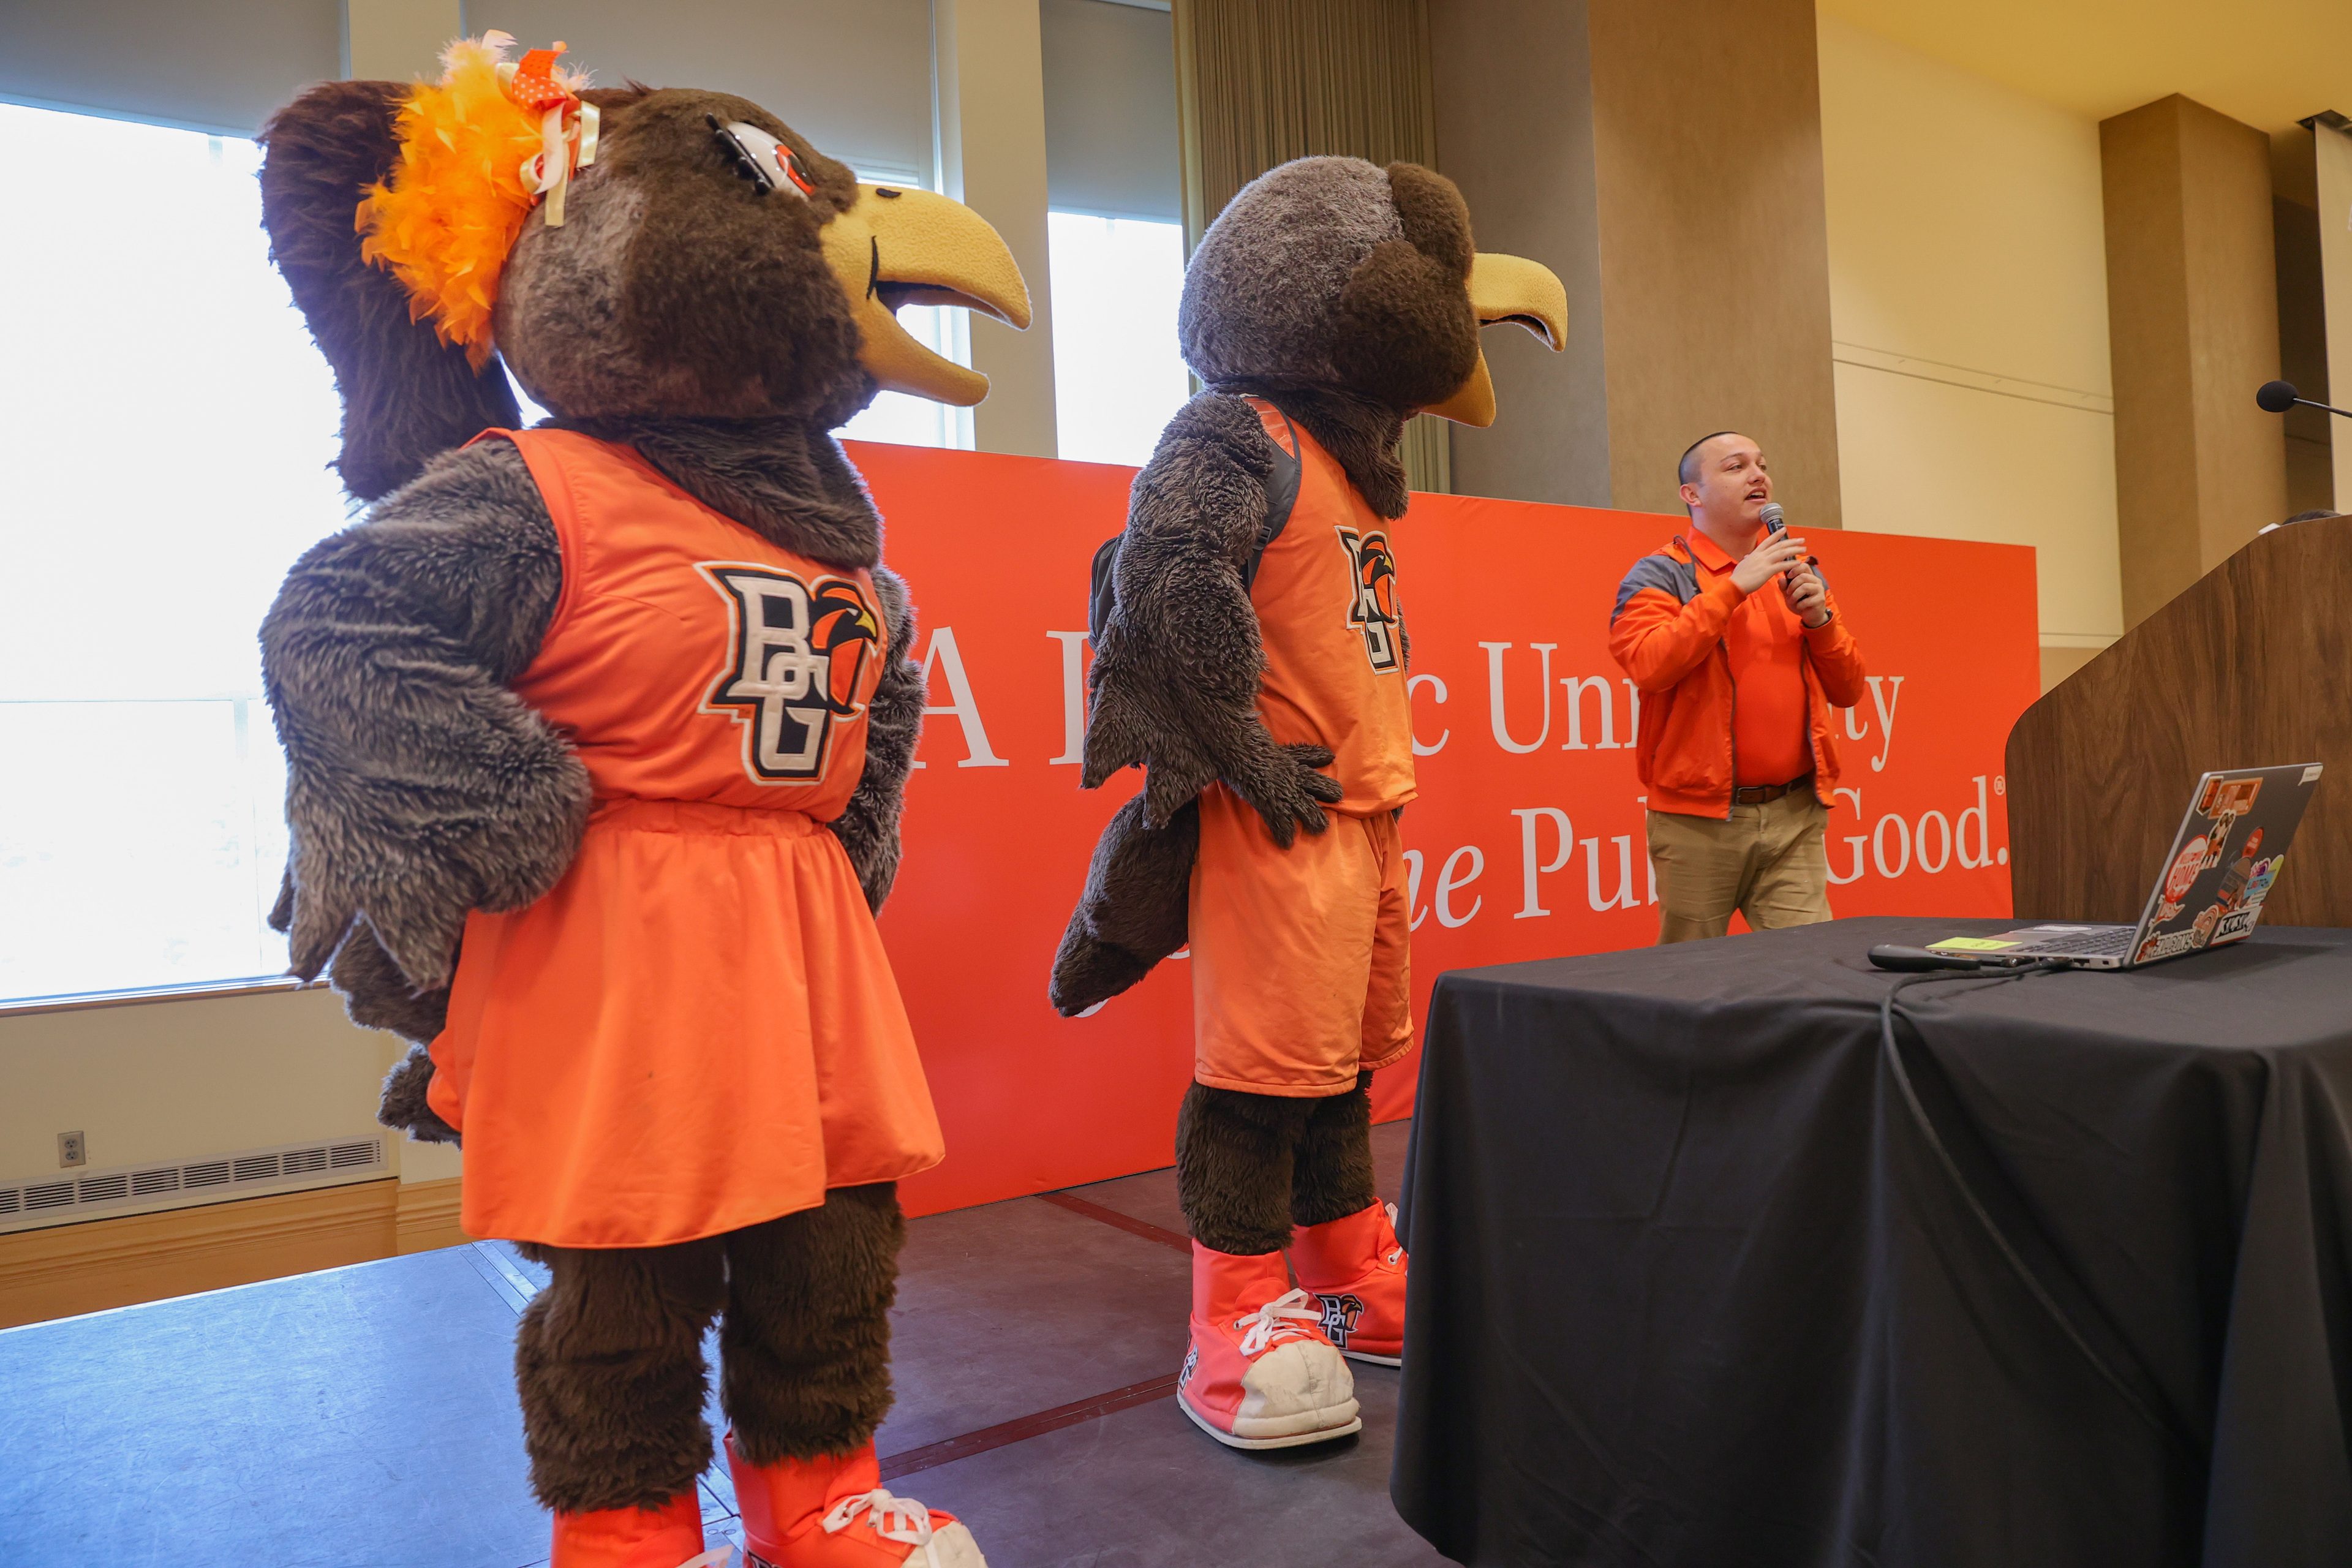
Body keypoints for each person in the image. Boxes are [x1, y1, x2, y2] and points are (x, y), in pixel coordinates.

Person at [1608, 431, 1869, 943]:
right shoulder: (1662, 573)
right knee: (1695, 978)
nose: (1759, 476)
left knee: (1811, 969)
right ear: (1692, 494)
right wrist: (1733, 588)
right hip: (1698, 820)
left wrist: (1820, 621)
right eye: (1735, 467)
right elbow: (1648, 663)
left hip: (1796, 815)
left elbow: (1850, 689)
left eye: (1762, 465)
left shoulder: (1796, 571)